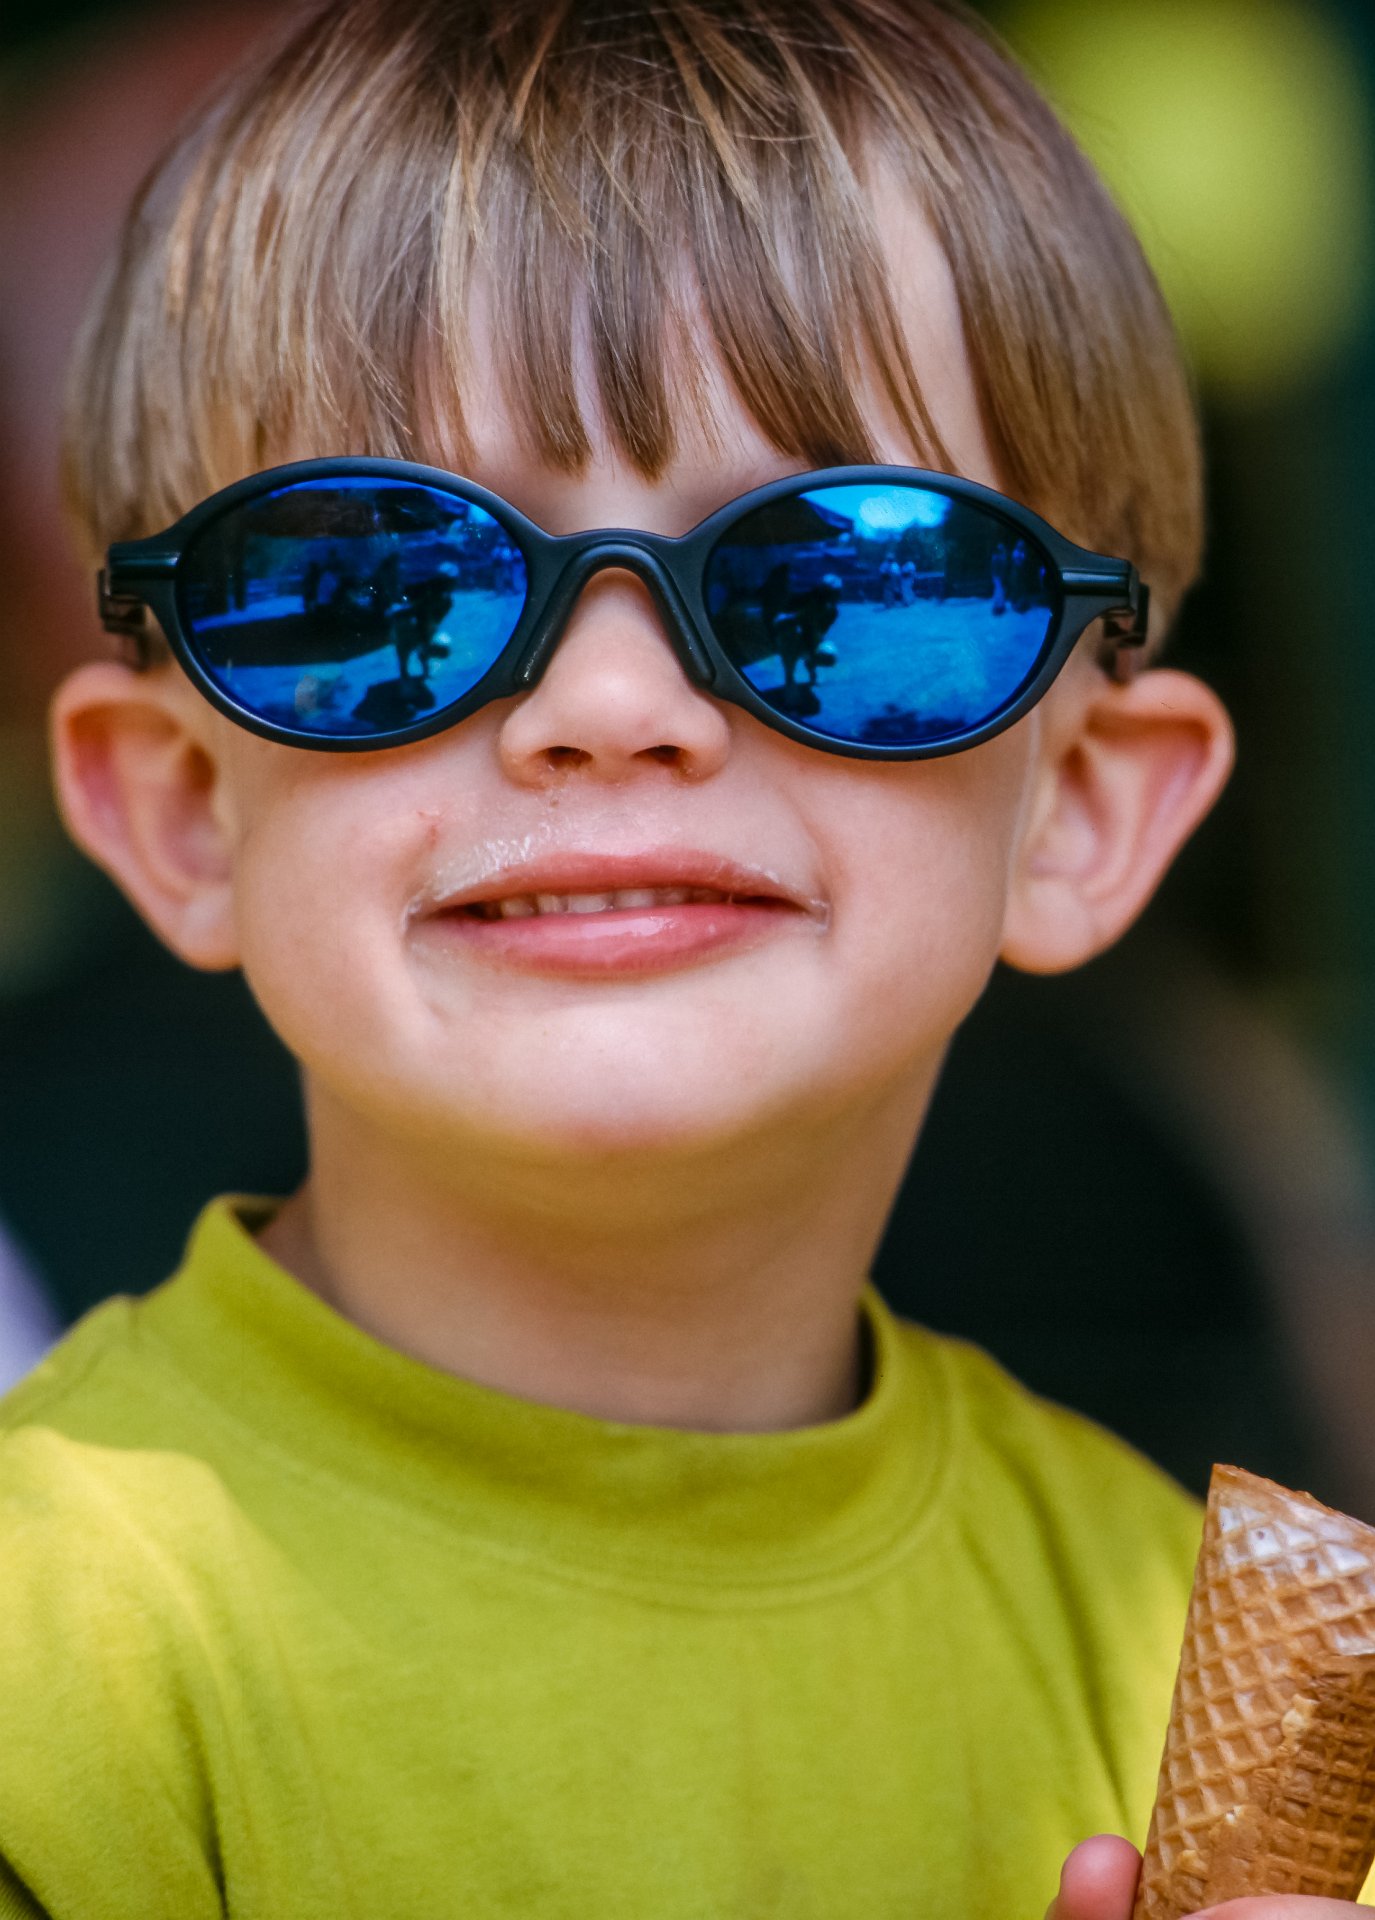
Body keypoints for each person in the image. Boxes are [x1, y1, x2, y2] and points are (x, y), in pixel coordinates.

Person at [0, 1, 1305, 1914]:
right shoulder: (44, 1649)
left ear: (1083, 812)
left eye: (845, 579)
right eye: (390, 579)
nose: (614, 710)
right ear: (180, 809)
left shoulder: (1205, 1680)